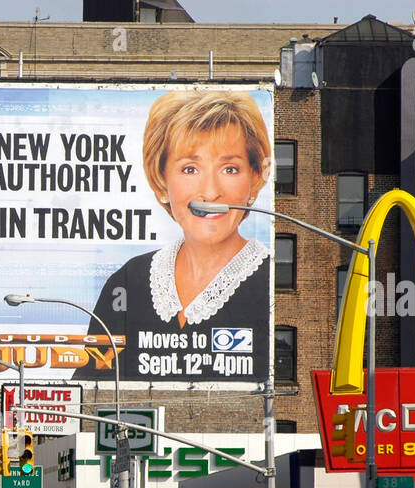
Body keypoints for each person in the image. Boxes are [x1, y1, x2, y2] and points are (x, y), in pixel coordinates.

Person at [72, 89, 271, 384]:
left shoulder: (270, 283)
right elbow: (86, 390)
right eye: (190, 169)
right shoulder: (128, 280)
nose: (210, 192)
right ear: (162, 182)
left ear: (255, 178)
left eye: (230, 169)